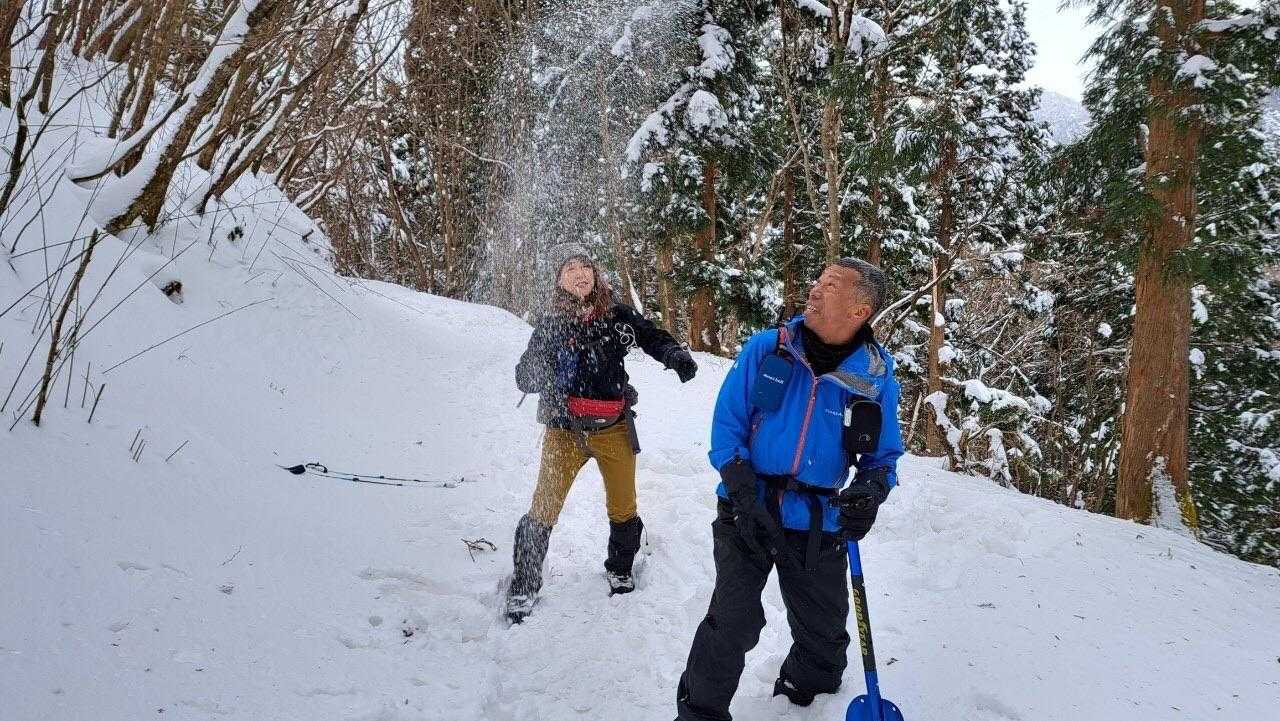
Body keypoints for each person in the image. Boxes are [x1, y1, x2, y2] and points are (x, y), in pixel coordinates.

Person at [674, 258, 904, 720]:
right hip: (748, 506)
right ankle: (698, 714)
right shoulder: (770, 348)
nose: (815, 289)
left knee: (823, 639)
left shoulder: (874, 377)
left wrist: (871, 490)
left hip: (817, 519)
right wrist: (740, 488)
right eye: (818, 279)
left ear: (859, 310)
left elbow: (883, 456)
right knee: (732, 620)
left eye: (830, 284)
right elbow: (727, 426)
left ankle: (805, 696)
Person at [505, 243, 698, 623]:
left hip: (613, 429)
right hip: (564, 432)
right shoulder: (550, 324)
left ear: (595, 273)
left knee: (623, 507)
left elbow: (652, 336)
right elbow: (524, 377)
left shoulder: (616, 315)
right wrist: (550, 359)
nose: (580, 273)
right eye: (570, 268)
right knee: (543, 509)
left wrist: (674, 356)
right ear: (559, 280)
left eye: (586, 266)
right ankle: (524, 583)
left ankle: (620, 568)